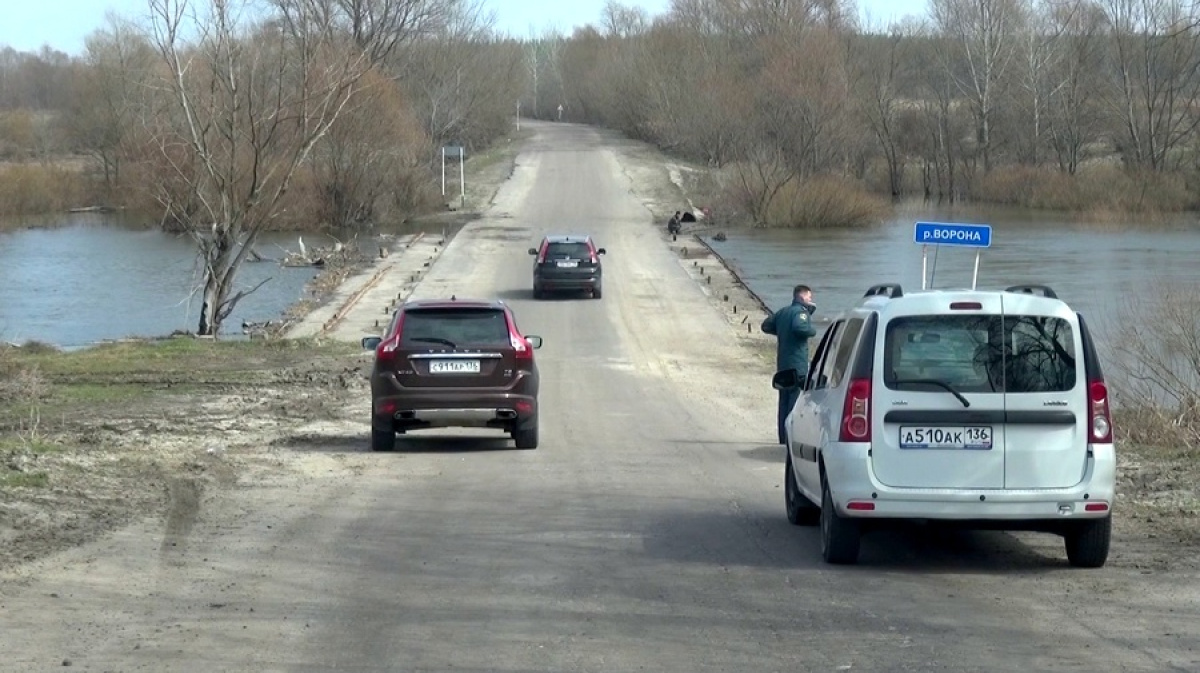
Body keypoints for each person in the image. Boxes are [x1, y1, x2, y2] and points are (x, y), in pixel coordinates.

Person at [761, 284, 817, 444]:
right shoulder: (801, 313)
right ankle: (791, 438)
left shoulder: (783, 312)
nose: (811, 299)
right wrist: (812, 330)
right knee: (794, 401)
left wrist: (781, 331)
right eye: (809, 297)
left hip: (782, 363)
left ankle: (783, 437)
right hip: (796, 364)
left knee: (783, 401)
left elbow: (766, 325)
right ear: (802, 296)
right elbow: (800, 328)